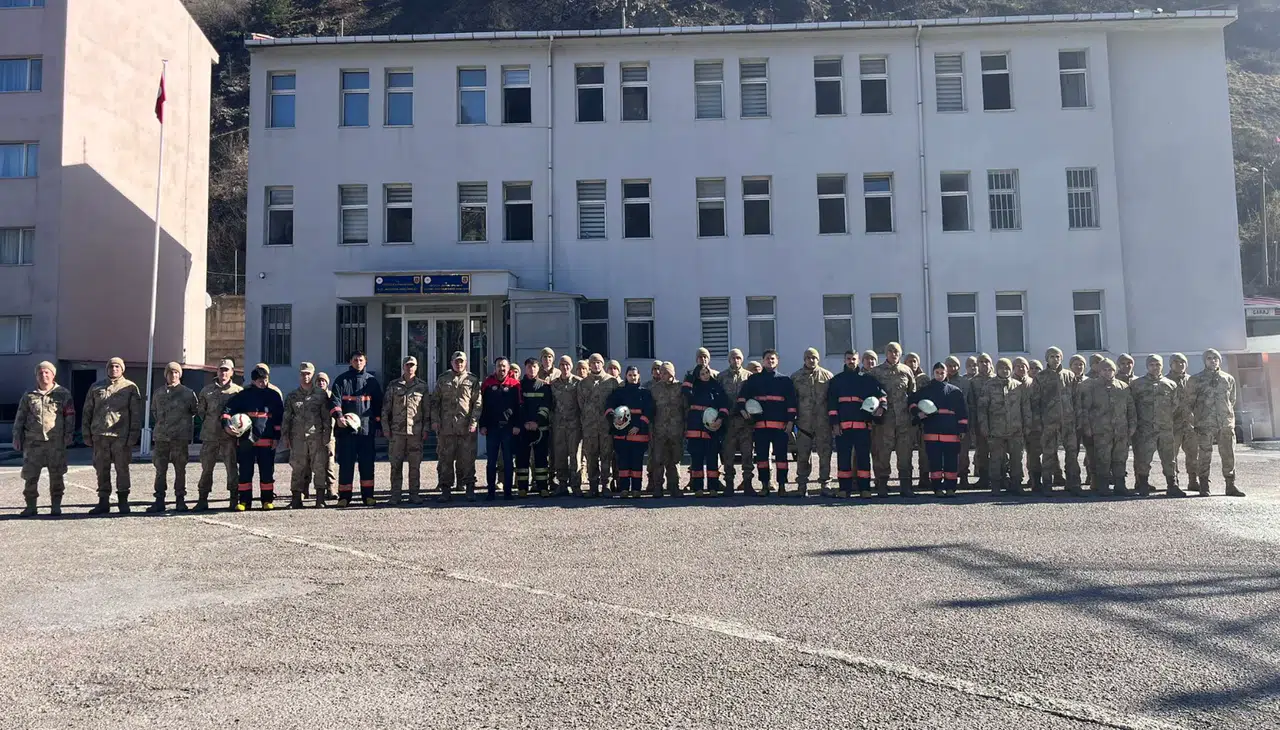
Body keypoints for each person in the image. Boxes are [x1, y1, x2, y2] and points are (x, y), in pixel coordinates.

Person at [13, 361, 75, 517]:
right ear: (36, 376)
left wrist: (69, 434)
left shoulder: (63, 394)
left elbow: (69, 416)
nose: (43, 375)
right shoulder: (29, 395)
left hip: (56, 443)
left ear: (53, 375)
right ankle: (31, 506)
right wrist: (16, 436)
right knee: (30, 476)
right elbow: (20, 417)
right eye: (40, 373)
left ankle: (56, 506)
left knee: (57, 475)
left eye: (47, 372)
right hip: (33, 443)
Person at [84, 357, 142, 515]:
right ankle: (103, 502)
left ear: (122, 369)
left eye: (117, 366)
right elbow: (87, 411)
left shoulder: (130, 387)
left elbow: (135, 414)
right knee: (101, 469)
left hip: (120, 436)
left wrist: (133, 435)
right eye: (111, 366)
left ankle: (123, 502)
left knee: (122, 469)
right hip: (100, 435)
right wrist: (86, 433)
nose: (114, 369)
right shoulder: (96, 387)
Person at [222, 365, 285, 510]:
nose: (263, 383)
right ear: (253, 381)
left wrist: (276, 437)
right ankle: (244, 501)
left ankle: (267, 500)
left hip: (266, 440)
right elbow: (227, 410)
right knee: (245, 471)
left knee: (267, 472)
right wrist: (226, 424)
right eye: (260, 380)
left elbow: (278, 418)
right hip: (246, 440)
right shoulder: (243, 395)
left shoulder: (274, 395)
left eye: (265, 380)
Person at [737, 349, 799, 496]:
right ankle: (764, 486)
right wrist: (743, 411)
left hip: (780, 428)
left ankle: (782, 487)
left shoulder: (785, 381)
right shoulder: (754, 380)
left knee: (782, 459)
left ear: (777, 361)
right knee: (762, 458)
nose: (770, 361)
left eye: (773, 359)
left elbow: (791, 404)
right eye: (767, 359)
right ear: (763, 361)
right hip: (760, 427)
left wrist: (790, 422)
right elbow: (741, 398)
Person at [828, 350, 885, 498]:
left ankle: (865, 489)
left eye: (854, 359)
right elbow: (832, 404)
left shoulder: (867, 379)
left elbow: (881, 395)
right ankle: (844, 489)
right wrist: (834, 424)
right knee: (843, 459)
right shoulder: (837, 380)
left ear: (858, 360)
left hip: (863, 426)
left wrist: (881, 408)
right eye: (848, 359)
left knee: (863, 458)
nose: (851, 361)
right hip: (843, 427)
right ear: (844, 360)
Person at [330, 351, 383, 507]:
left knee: (367, 465)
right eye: (355, 360)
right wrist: (339, 416)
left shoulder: (371, 382)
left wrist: (378, 425)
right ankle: (344, 497)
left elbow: (378, 405)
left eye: (361, 360)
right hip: (346, 431)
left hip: (366, 431)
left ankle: (368, 496)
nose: (358, 362)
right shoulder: (341, 380)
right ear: (350, 362)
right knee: (346, 464)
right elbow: (335, 401)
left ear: (365, 362)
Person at [909, 362, 968, 497]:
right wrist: (918, 413)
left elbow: (962, 412)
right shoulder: (926, 390)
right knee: (934, 462)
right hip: (932, 433)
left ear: (946, 373)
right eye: (937, 373)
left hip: (951, 433)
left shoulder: (955, 391)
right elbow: (912, 401)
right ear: (933, 373)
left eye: (942, 373)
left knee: (951, 462)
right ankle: (937, 488)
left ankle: (951, 488)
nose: (940, 375)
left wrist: (962, 429)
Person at [1190, 348, 1244, 497]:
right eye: (1209, 358)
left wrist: (1226, 417)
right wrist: (1195, 420)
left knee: (1228, 454)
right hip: (1205, 423)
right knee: (1204, 454)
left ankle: (1230, 485)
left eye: (1215, 358)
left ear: (1219, 360)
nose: (1213, 361)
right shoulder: (1195, 380)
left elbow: (1231, 400)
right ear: (1204, 361)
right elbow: (1189, 402)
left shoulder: (1228, 379)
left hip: (1225, 423)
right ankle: (1204, 485)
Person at [146, 362, 199, 513]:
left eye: (176, 372)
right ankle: (159, 500)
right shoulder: (158, 393)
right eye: (170, 373)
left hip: (179, 439)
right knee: (160, 470)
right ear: (166, 375)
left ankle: (180, 500)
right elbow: (154, 412)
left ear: (180, 375)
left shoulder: (188, 393)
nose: (173, 375)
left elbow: (195, 411)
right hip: (161, 438)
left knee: (180, 470)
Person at [1130, 354, 1185, 498]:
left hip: (1165, 428)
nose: (1155, 367)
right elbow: (1132, 405)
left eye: (1158, 365)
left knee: (1169, 458)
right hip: (1145, 429)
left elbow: (1174, 405)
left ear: (1162, 366)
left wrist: (1164, 418)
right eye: (1152, 365)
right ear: (1147, 366)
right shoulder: (1137, 384)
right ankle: (1143, 485)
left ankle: (1172, 485)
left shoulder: (1170, 384)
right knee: (1144, 458)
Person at [1080, 358, 1135, 496]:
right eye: (1104, 370)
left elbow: (1130, 408)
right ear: (1099, 371)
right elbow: (1085, 409)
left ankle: (1120, 486)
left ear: (1114, 371)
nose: (1107, 372)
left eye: (1110, 369)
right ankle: (1103, 486)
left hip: (1121, 431)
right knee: (1102, 459)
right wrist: (1087, 427)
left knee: (1120, 458)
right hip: (1101, 431)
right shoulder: (1092, 387)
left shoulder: (1123, 387)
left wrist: (1132, 425)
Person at [431, 352, 481, 501]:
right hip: (446, 428)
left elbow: (477, 403)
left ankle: (469, 488)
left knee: (467, 459)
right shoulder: (443, 379)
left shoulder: (472, 380)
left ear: (466, 363)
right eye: (456, 361)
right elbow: (435, 402)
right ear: (451, 362)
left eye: (461, 361)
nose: (459, 364)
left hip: (466, 428)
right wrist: (435, 420)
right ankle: (445, 490)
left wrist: (474, 422)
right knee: (445, 460)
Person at [283, 362, 332, 508]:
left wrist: (327, 436)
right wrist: (285, 436)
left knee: (319, 467)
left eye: (308, 374)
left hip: (316, 437)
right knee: (298, 468)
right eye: (303, 374)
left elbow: (326, 418)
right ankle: (296, 498)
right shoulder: (292, 396)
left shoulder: (321, 395)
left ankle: (320, 499)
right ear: (299, 375)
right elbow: (286, 418)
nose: (306, 376)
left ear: (313, 374)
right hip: (298, 438)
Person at [870, 342, 917, 497]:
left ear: (900, 353)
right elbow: (870, 394)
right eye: (890, 351)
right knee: (883, 455)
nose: (893, 354)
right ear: (886, 353)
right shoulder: (876, 372)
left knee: (905, 455)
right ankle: (882, 485)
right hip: (884, 422)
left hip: (904, 421)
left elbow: (912, 393)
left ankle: (906, 486)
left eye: (896, 351)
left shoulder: (906, 371)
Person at [196, 359, 243, 511]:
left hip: (229, 438)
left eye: (226, 370)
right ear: (217, 371)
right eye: (221, 369)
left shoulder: (238, 391)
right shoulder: (207, 391)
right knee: (206, 468)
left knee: (231, 468)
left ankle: (234, 499)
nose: (223, 373)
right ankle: (202, 499)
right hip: (210, 436)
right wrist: (211, 423)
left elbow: (241, 414)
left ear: (232, 372)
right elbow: (201, 412)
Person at [382, 356, 430, 504]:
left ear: (416, 367)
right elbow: (386, 409)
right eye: (407, 365)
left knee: (415, 466)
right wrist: (385, 428)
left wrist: (426, 429)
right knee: (396, 465)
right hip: (397, 433)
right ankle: (395, 495)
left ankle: (414, 494)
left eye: (412, 365)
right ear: (403, 367)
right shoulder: (394, 385)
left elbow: (426, 410)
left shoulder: (422, 386)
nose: (410, 368)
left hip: (415, 432)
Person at [1035, 347, 1082, 496]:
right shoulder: (1040, 377)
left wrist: (1077, 418)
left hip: (1068, 422)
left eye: (1057, 356)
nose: (1055, 359)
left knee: (1072, 454)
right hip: (1049, 422)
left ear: (1061, 358)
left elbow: (1076, 399)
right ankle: (1047, 484)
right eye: (1052, 357)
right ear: (1047, 359)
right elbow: (1035, 402)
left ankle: (1073, 484)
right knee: (1048, 454)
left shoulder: (1069, 375)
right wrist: (1038, 421)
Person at [605, 366, 653, 498]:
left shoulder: (645, 393)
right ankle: (624, 489)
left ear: (639, 376)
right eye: (630, 375)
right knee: (623, 464)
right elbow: (609, 407)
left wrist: (639, 426)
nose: (633, 377)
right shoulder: (618, 392)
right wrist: (614, 418)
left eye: (635, 375)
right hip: (621, 435)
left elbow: (649, 411)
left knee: (637, 463)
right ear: (626, 376)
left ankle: (636, 489)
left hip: (639, 434)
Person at [985, 358, 1031, 495]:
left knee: (1016, 459)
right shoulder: (989, 386)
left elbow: (1025, 407)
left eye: (1007, 368)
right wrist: (984, 426)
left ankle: (1016, 484)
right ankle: (996, 486)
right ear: (997, 369)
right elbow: (982, 408)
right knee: (996, 459)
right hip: (996, 430)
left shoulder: (1018, 386)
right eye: (1002, 368)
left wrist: (1027, 425)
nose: (1005, 371)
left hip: (1015, 430)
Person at [791, 347, 833, 496]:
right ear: (804, 359)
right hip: (804, 424)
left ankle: (825, 484)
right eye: (808, 357)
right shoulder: (796, 378)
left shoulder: (827, 376)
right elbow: (792, 401)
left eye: (814, 357)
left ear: (818, 359)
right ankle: (802, 485)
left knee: (825, 455)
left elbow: (832, 400)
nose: (811, 360)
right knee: (803, 455)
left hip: (823, 423)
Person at [683, 363, 729, 497]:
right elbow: (685, 390)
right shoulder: (693, 387)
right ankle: (698, 488)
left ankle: (713, 487)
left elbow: (724, 404)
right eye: (702, 374)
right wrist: (690, 377)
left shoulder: (716, 387)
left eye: (707, 372)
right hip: (695, 428)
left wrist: (720, 419)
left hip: (712, 428)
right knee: (696, 459)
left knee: (712, 459)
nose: (705, 375)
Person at [479, 356, 522, 500]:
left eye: (504, 366)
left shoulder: (515, 385)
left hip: (508, 429)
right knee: (491, 462)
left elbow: (519, 407)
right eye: (499, 366)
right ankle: (490, 491)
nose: (501, 369)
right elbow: (482, 406)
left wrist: (517, 425)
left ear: (508, 368)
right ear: (495, 367)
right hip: (491, 428)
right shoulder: (487, 383)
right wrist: (482, 425)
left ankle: (508, 492)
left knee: (508, 461)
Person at [576, 353, 618, 497]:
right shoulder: (583, 383)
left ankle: (606, 485)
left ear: (603, 364)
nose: (596, 365)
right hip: (590, 427)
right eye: (593, 363)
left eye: (599, 362)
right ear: (589, 365)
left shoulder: (611, 381)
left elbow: (616, 403)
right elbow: (581, 404)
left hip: (606, 426)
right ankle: (593, 486)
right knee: (591, 456)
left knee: (606, 456)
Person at [717, 349, 755, 496]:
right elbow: (718, 398)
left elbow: (754, 398)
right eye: (733, 358)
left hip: (745, 423)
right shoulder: (721, 377)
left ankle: (748, 484)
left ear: (742, 359)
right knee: (728, 455)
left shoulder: (749, 376)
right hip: (728, 423)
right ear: (729, 360)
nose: (736, 360)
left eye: (738, 358)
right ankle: (729, 484)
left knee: (747, 454)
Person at [517, 357, 554, 497]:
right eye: (529, 367)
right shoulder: (519, 386)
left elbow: (546, 406)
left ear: (539, 369)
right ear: (525, 368)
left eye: (534, 367)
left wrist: (537, 422)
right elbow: (519, 407)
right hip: (524, 428)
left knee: (541, 459)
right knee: (522, 458)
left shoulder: (545, 387)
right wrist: (525, 423)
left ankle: (543, 487)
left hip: (540, 429)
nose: (531, 369)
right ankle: (522, 488)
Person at [648, 361, 685, 497]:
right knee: (658, 460)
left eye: (667, 372)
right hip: (659, 431)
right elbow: (651, 411)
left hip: (676, 430)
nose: (664, 375)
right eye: (662, 372)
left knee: (675, 460)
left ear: (672, 373)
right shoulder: (655, 389)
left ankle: (674, 486)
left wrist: (685, 427)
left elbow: (685, 408)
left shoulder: (680, 388)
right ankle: (658, 487)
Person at [550, 355, 582, 495]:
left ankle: (576, 485)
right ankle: (562, 483)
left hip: (574, 424)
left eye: (567, 364)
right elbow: (551, 404)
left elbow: (582, 403)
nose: (565, 367)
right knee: (560, 454)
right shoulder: (554, 384)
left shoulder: (578, 383)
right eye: (562, 365)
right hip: (559, 425)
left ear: (571, 366)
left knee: (575, 455)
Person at [1166, 353, 1199, 492]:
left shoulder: (1192, 381)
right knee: (1171, 456)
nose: (1180, 364)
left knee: (1193, 454)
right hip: (1172, 425)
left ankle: (1193, 480)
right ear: (1170, 364)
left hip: (1190, 424)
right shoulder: (1165, 381)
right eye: (1176, 362)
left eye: (1182, 362)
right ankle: (1173, 482)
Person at [966, 353, 996, 490]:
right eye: (981, 362)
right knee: (982, 451)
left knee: (998, 452)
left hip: (997, 421)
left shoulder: (997, 379)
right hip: (980, 422)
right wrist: (973, 424)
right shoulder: (973, 382)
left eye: (987, 361)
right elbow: (971, 404)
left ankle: (999, 478)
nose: (984, 364)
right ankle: (983, 478)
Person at [1013, 357, 1041, 492]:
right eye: (1018, 366)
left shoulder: (1033, 384)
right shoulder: (1010, 384)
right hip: (1014, 425)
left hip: (1033, 426)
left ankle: (1035, 481)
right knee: (1015, 456)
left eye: (1023, 366)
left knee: (1034, 455)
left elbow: (1039, 404)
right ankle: (1016, 482)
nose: (1021, 368)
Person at [944, 356, 974, 486]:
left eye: (955, 365)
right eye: (949, 365)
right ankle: (949, 478)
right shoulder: (940, 381)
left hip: (962, 422)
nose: (952, 368)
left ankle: (964, 477)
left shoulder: (965, 382)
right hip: (945, 422)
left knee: (963, 452)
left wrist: (970, 423)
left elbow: (971, 404)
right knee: (947, 452)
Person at [315, 371, 337, 501]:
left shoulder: (332, 396)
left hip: (330, 435)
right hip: (314, 434)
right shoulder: (312, 397)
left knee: (330, 462)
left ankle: (331, 488)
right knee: (314, 463)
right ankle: (305, 489)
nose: (321, 383)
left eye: (323, 381)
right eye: (319, 381)